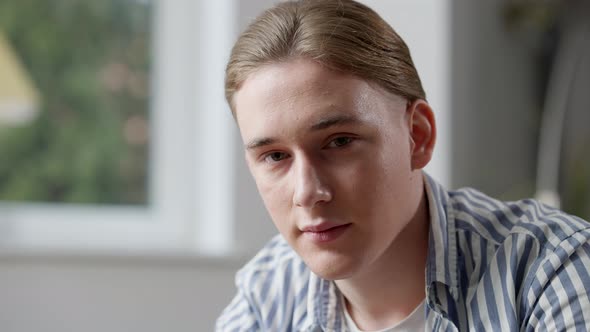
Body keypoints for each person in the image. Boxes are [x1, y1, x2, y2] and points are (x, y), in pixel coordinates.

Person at [216, 0, 590, 331]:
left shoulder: (551, 271)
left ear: (418, 136)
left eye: (339, 142)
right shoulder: (268, 293)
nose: (308, 192)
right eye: (275, 156)